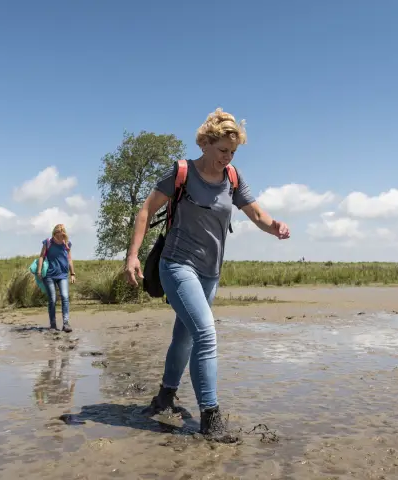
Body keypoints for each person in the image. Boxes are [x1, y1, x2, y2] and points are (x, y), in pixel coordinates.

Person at [124, 108, 290, 441]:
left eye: (233, 152)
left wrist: (274, 226)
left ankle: (165, 397)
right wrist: (132, 256)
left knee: (185, 336)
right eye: (222, 151)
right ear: (205, 144)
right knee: (206, 334)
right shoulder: (182, 173)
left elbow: (255, 212)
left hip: (209, 273)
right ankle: (210, 419)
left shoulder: (233, 178)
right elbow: (146, 209)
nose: (227, 158)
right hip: (176, 264)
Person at [37, 223, 75, 333]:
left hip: (63, 275)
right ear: (54, 233)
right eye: (58, 233)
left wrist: (72, 274)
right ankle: (53, 325)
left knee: (65, 296)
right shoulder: (48, 242)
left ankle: (66, 323)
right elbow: (41, 256)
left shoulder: (67, 243)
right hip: (49, 275)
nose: (60, 235)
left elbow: (70, 259)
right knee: (52, 299)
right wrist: (39, 271)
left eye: (62, 232)